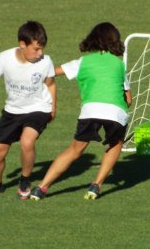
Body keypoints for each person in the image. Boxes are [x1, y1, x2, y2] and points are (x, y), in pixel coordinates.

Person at [29, 22, 132, 201]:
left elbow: (52, 73)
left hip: (89, 111)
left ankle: (41, 188)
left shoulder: (83, 62)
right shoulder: (119, 65)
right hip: (116, 112)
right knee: (115, 144)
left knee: (75, 150)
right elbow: (129, 99)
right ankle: (96, 185)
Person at [0, 20, 56, 197]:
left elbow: (50, 84)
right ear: (22, 44)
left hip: (38, 108)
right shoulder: (4, 58)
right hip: (12, 110)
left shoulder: (45, 62)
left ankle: (25, 179)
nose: (40, 53)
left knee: (27, 142)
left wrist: (53, 108)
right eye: (36, 49)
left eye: (42, 48)